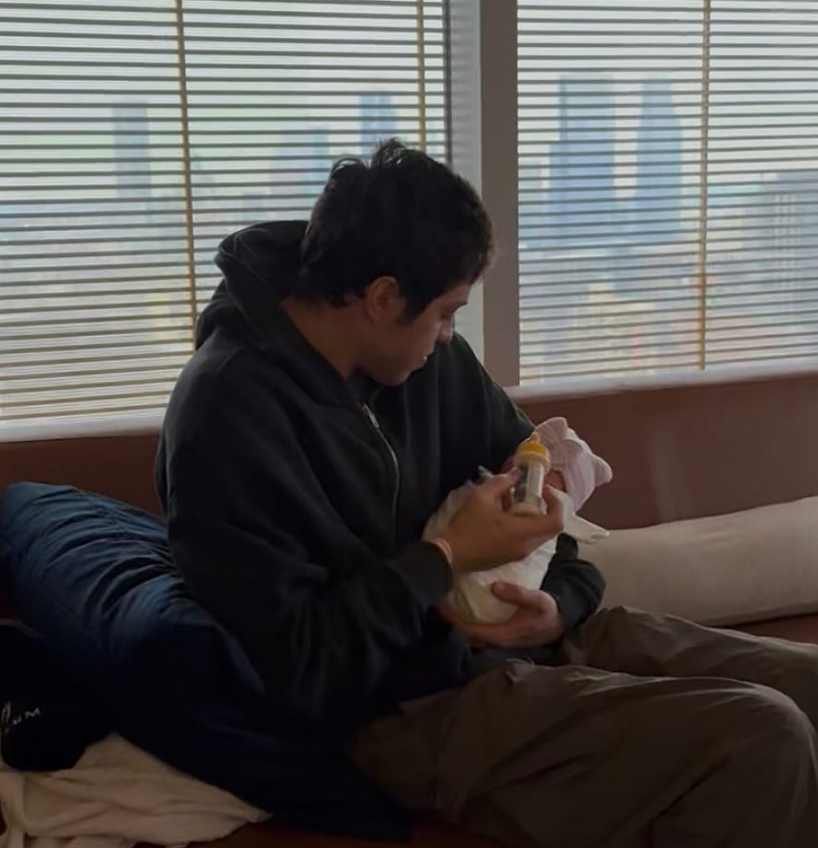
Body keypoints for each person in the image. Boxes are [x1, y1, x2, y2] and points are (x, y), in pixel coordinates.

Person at [157, 140, 818, 848]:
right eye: (446, 313)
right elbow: (299, 668)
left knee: (804, 684)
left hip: (524, 643)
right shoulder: (225, 418)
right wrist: (443, 557)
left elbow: (533, 495)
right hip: (399, 710)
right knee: (760, 737)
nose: (449, 336)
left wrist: (557, 604)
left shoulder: (426, 364)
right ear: (382, 298)